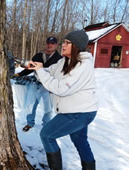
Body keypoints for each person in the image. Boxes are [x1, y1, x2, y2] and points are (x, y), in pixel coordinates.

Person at [28, 30, 98, 170]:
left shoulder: (83, 65)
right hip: (76, 110)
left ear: (76, 45)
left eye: (67, 43)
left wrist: (41, 72)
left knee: (47, 135)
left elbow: (61, 88)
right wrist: (37, 68)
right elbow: (49, 71)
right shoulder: (64, 61)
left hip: (79, 113)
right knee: (80, 141)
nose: (63, 45)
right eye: (64, 42)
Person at [12, 37, 62, 132]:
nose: (49, 45)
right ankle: (30, 123)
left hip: (48, 86)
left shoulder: (59, 59)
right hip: (35, 83)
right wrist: (19, 74)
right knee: (31, 104)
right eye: (48, 42)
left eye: (52, 43)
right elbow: (29, 68)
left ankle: (46, 125)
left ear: (56, 45)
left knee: (48, 106)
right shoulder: (38, 56)